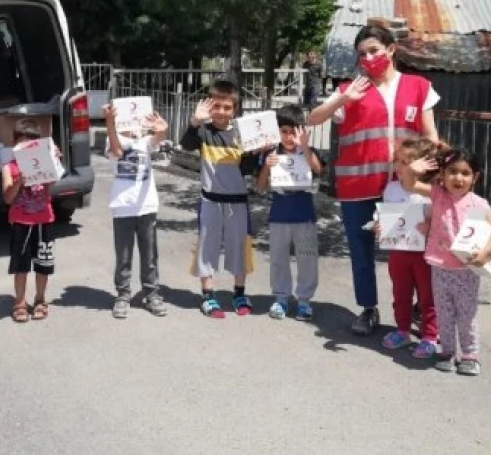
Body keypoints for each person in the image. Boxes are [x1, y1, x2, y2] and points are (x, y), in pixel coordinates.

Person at [307, 23, 440, 336]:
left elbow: (430, 135)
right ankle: (368, 308)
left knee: (415, 248)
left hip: (405, 185)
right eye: (362, 54)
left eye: (374, 51)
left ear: (391, 50)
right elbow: (313, 119)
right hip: (358, 186)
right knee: (361, 250)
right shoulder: (351, 88)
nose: (368, 58)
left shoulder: (419, 86)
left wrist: (437, 172)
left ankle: (419, 311)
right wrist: (344, 99)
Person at [180, 80, 272, 318]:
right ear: (209, 107)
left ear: (235, 110)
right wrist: (194, 121)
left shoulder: (242, 134)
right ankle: (208, 296)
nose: (221, 112)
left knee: (239, 248)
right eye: (216, 106)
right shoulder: (203, 131)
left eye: (227, 107)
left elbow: (246, 169)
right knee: (206, 248)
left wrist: (257, 151)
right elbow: (186, 144)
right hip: (210, 201)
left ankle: (239, 293)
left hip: (238, 202)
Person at [413, 148, 491, 376]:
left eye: (465, 173)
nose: (458, 178)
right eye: (452, 172)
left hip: (465, 271)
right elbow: (410, 184)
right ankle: (446, 352)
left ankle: (470, 355)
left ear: (475, 178)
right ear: (442, 175)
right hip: (439, 268)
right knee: (444, 314)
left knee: (467, 314)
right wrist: (411, 170)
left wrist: (485, 252)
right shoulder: (437, 195)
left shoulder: (478, 204)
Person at [254, 106, 323, 321]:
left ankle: (304, 301)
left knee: (308, 258)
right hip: (279, 214)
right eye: (284, 131)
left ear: (301, 131)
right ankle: (281, 298)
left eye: (294, 131)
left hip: (305, 214)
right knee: (278, 258)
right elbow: (260, 185)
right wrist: (266, 166)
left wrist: (305, 147)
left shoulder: (308, 152)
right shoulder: (271, 154)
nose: (289, 136)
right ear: (277, 132)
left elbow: (319, 170)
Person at [373, 137, 441, 358]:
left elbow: (442, 221)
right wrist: (378, 224)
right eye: (399, 161)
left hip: (424, 255)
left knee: (427, 296)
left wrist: (430, 225)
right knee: (400, 293)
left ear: (424, 166)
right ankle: (402, 330)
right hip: (398, 253)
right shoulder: (391, 188)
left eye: (407, 162)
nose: (400, 167)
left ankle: (430, 336)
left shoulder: (431, 192)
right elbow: (384, 214)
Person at [103, 103, 168, 319]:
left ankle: (152, 293)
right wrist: (110, 123)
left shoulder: (144, 141)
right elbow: (117, 151)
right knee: (123, 254)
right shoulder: (113, 138)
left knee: (149, 254)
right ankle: (123, 294)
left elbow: (158, 138)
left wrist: (161, 128)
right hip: (123, 206)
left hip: (147, 205)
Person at [1, 121, 58, 323]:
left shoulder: (43, 162)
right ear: (15, 145)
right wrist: (19, 180)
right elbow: (7, 198)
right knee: (21, 266)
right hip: (20, 222)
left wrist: (54, 162)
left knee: (43, 264)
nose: (27, 149)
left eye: (32, 144)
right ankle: (19, 302)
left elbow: (52, 185)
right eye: (22, 144)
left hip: (44, 220)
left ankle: (41, 299)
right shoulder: (9, 167)